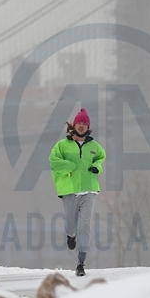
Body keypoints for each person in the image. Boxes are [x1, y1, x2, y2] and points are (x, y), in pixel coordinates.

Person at [49, 108, 105, 277]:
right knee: (72, 225)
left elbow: (101, 157)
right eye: (79, 123)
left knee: (85, 225)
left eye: (84, 124)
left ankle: (81, 262)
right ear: (74, 125)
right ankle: (70, 235)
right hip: (70, 190)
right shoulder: (62, 145)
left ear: (88, 127)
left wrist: (98, 167)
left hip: (89, 189)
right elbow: (53, 161)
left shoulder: (94, 146)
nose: (81, 126)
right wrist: (69, 167)